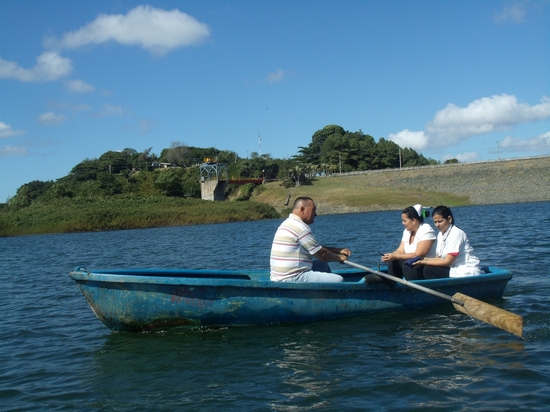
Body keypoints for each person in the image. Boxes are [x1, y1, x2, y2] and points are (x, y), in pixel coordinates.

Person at [270, 196, 352, 282]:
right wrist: (339, 258)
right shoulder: (301, 228)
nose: (315, 214)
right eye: (313, 210)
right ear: (302, 209)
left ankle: (324, 291)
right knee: (339, 280)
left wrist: (338, 251)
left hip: (279, 276)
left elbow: (316, 249)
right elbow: (322, 254)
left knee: (322, 265)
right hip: (291, 277)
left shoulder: (287, 223)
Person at [413, 205, 482, 278]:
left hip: (465, 270)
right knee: (419, 267)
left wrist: (424, 262)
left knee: (429, 270)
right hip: (452, 268)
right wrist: (420, 260)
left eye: (440, 221)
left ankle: (438, 289)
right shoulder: (440, 234)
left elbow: (448, 261)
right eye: (435, 222)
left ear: (449, 219)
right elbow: (438, 259)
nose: (437, 225)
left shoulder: (456, 233)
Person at [381, 204, 436, 281]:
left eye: (405, 221)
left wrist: (396, 256)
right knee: (393, 262)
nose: (403, 223)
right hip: (412, 264)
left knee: (409, 265)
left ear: (413, 220)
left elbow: (418, 254)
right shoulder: (407, 232)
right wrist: (391, 256)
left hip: (425, 266)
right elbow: (400, 250)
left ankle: (414, 290)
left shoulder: (426, 230)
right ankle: (394, 286)